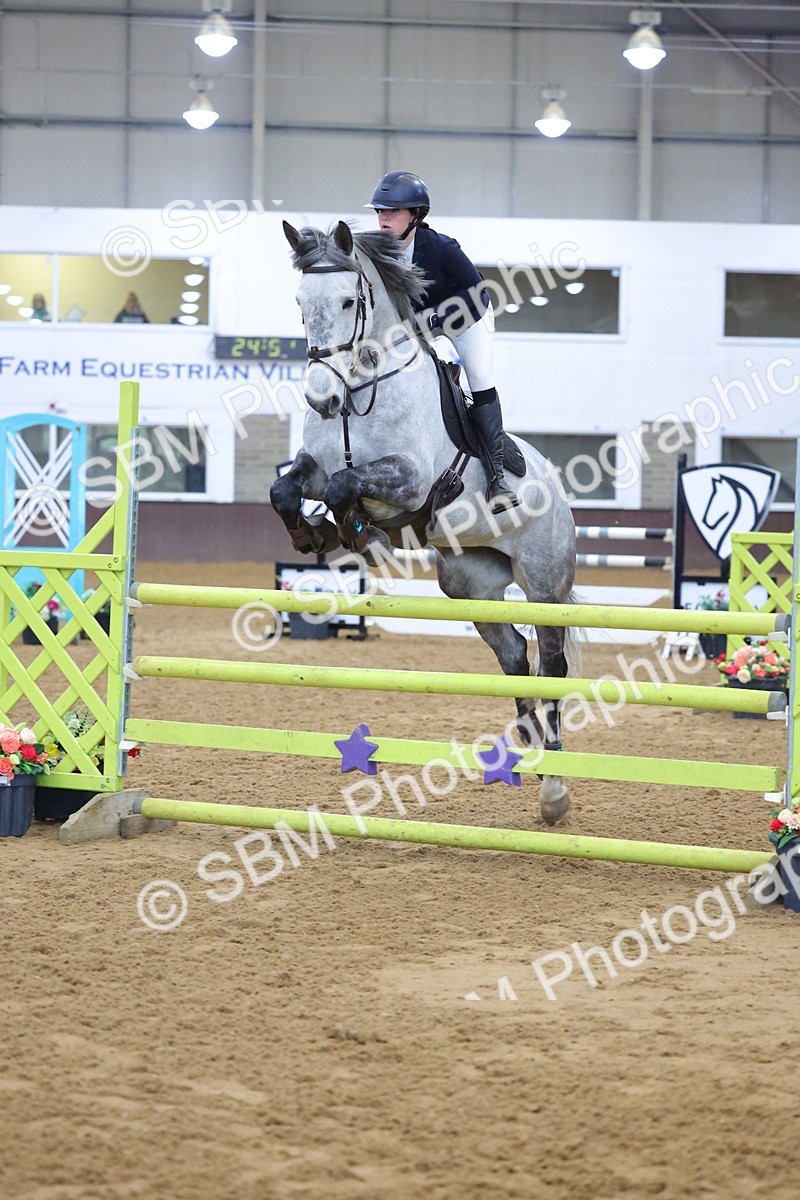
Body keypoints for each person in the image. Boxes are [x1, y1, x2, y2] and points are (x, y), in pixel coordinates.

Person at [366, 170, 519, 511]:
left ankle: (497, 480)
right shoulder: (376, 252)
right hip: (416, 327)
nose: (383, 218)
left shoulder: (442, 248)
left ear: (416, 215)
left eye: (393, 211)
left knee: (479, 379)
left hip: (467, 320)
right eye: (380, 211)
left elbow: (479, 294)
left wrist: (439, 318)